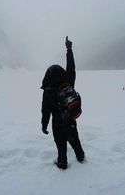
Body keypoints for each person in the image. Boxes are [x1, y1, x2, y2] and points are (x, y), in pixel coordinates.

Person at [41, 36, 85, 169]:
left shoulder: (49, 91)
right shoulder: (68, 82)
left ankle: (62, 162)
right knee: (74, 140)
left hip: (57, 124)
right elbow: (71, 67)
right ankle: (81, 156)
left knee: (61, 145)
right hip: (70, 120)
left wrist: (44, 125)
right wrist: (69, 49)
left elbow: (46, 110)